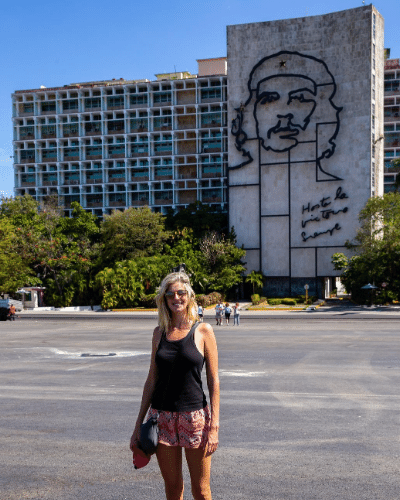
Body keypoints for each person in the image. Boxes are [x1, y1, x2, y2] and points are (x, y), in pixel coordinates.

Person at [130, 272, 220, 500]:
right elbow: (151, 379)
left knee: (201, 491)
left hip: (195, 418)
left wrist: (214, 426)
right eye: (170, 294)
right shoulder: (159, 334)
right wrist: (138, 425)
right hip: (162, 418)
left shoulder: (203, 331)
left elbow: (213, 380)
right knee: (173, 488)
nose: (176, 298)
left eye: (181, 293)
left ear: (189, 296)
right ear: (164, 299)